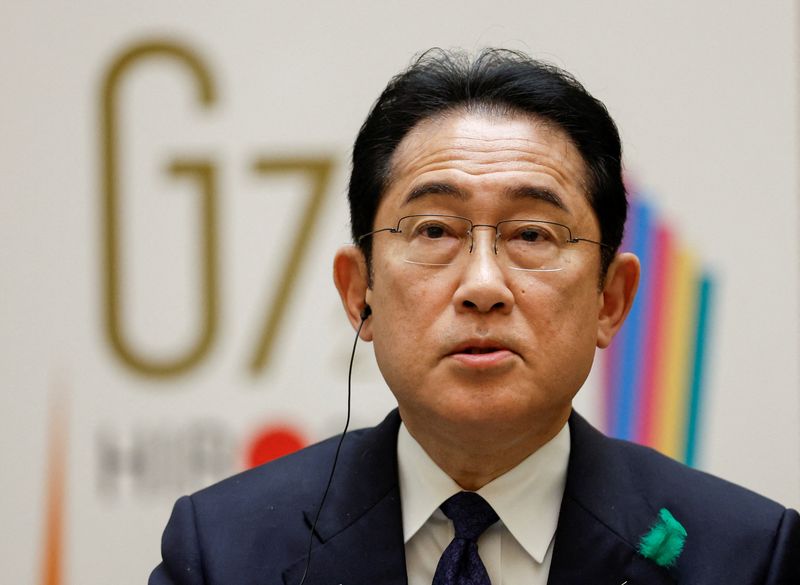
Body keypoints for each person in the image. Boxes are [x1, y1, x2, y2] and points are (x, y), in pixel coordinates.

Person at [150, 49, 799, 585]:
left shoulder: (746, 556)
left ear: (610, 299)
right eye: (434, 229)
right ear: (360, 291)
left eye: (533, 234)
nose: (483, 285)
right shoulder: (223, 551)